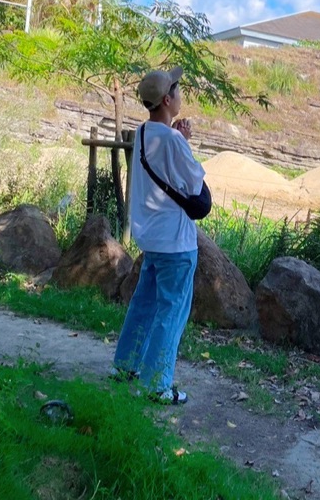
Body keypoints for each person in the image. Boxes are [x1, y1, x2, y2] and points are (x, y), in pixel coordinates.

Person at [112, 66, 205, 405]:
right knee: (171, 312)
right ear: (167, 100)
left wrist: (177, 139)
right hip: (176, 242)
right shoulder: (172, 140)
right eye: (177, 90)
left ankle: (126, 365)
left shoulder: (141, 133)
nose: (181, 96)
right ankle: (157, 385)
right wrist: (183, 142)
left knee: (144, 304)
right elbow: (194, 184)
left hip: (151, 238)